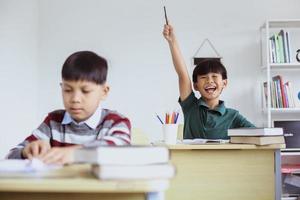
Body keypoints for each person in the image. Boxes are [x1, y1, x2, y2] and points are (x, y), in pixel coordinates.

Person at [7, 51, 131, 164]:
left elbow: (121, 151)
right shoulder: (53, 121)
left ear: (104, 92)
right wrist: (26, 151)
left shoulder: (115, 121)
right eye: (67, 90)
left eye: (85, 91)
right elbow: (10, 156)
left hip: (98, 189)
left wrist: (77, 153)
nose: (75, 99)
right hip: (58, 188)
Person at [163, 24, 255, 139]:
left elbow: (257, 134)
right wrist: (172, 42)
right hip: (191, 157)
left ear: (224, 83)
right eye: (203, 77)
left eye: (214, 76)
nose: (209, 81)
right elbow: (183, 75)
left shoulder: (233, 116)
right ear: (195, 85)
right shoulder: (190, 107)